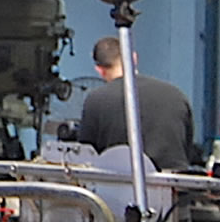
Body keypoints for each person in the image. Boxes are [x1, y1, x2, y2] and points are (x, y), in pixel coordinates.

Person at [77, 36, 196, 170]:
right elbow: (187, 147)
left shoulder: (95, 100)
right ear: (134, 58)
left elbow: (86, 155)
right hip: (174, 185)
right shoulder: (176, 95)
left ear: (99, 70)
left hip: (118, 186)